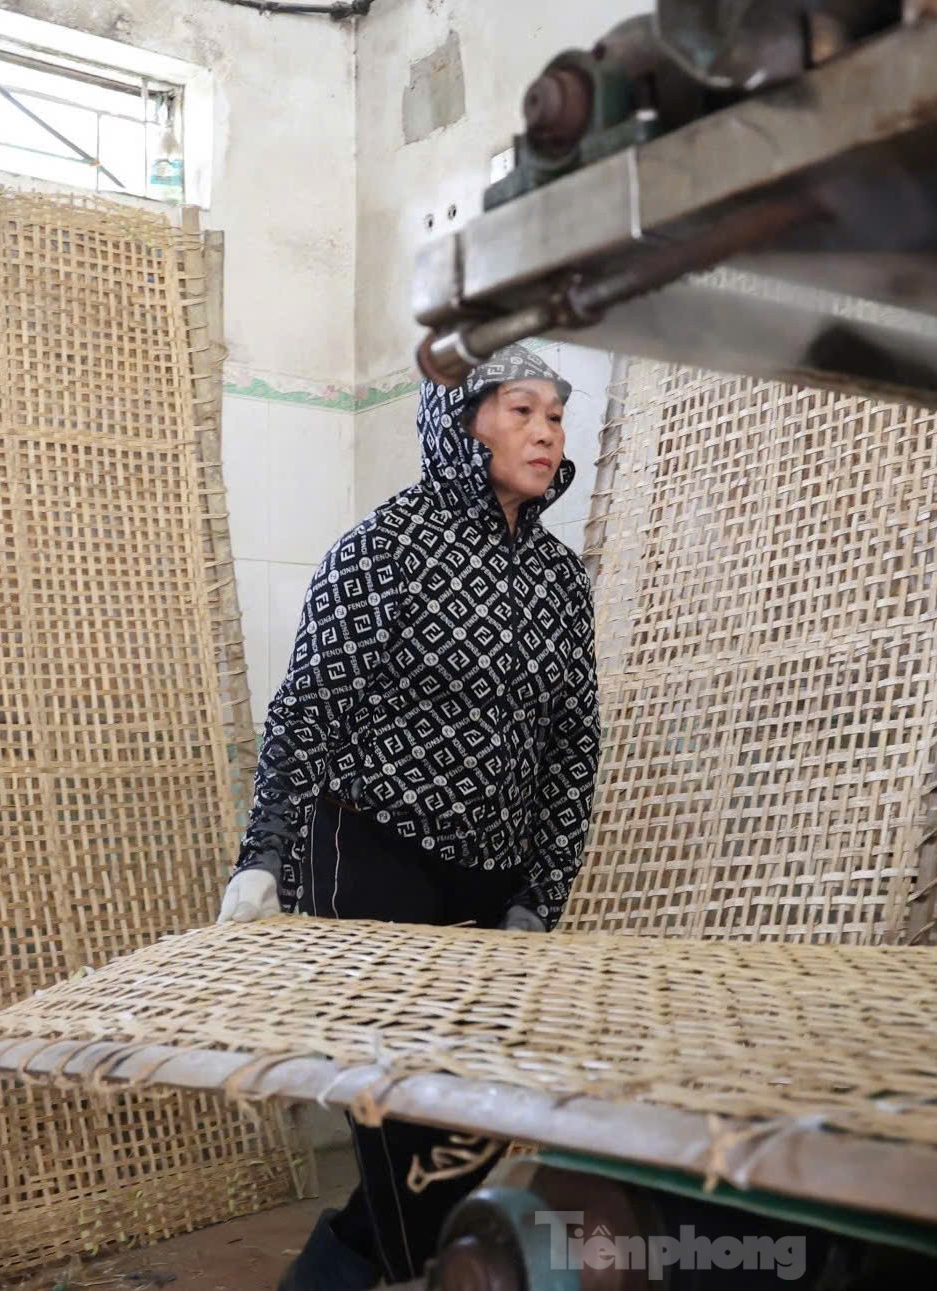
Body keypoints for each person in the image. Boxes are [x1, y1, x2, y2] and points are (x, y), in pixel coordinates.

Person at [217, 344, 601, 1289]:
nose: (546, 431)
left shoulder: (558, 578)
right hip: (371, 851)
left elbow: (572, 746)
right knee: (405, 1113)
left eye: (555, 412)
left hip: (489, 872)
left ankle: (352, 1270)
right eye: (521, 411)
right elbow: (307, 709)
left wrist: (538, 898)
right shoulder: (383, 547)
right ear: (461, 424)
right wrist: (262, 855)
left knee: (467, 1117)